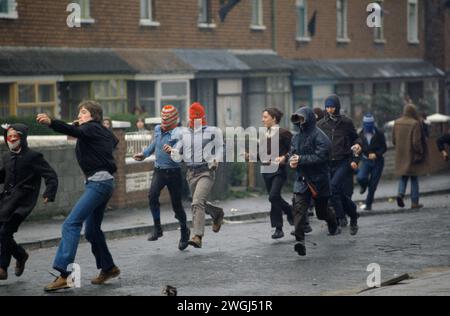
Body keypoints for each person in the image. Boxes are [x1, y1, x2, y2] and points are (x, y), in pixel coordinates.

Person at [37, 101, 121, 292]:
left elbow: (77, 132)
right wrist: (80, 127)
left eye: (84, 112)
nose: (80, 115)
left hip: (98, 183)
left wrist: (51, 122)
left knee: (71, 224)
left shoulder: (90, 128)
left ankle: (65, 274)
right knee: (91, 230)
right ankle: (108, 267)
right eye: (79, 112)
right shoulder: (99, 130)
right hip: (103, 183)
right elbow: (113, 141)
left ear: (94, 115)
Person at [0, 124, 58, 281]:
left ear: (22, 138)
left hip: (23, 202)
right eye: (9, 136)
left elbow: (50, 175)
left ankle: (2, 267)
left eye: (15, 136)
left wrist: (49, 193)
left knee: (5, 232)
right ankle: (21, 255)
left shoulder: (34, 156)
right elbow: (3, 176)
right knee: (3, 233)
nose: (11, 139)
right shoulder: (6, 157)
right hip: (6, 201)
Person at [164, 102, 224, 249]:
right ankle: (217, 213)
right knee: (199, 203)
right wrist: (171, 151)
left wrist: (216, 159)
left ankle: (197, 236)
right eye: (191, 118)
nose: (193, 121)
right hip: (191, 173)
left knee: (196, 202)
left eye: (196, 117)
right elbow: (177, 154)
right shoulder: (184, 134)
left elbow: (220, 147)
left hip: (206, 172)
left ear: (202, 118)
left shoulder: (212, 131)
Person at [133, 105, 190, 250]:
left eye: (167, 119)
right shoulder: (158, 129)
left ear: (174, 120)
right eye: (163, 118)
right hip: (159, 171)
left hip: (174, 172)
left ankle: (184, 231)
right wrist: (144, 154)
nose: (164, 121)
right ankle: (157, 229)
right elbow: (154, 144)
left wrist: (173, 151)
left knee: (177, 205)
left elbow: (183, 153)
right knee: (152, 196)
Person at [288, 106, 340, 256]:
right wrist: (291, 160)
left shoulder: (321, 137)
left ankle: (332, 222)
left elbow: (322, 156)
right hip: (302, 180)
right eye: (297, 119)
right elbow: (292, 153)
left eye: (302, 118)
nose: (300, 122)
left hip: (319, 181)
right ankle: (300, 241)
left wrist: (301, 159)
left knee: (322, 213)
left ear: (309, 119)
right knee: (298, 209)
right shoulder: (295, 137)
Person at [317, 94, 361, 235]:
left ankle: (341, 218)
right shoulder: (320, 125)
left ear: (337, 107)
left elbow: (357, 138)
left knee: (334, 187)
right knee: (336, 193)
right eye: (327, 107)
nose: (330, 110)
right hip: (327, 163)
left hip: (343, 161)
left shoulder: (346, 122)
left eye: (332, 107)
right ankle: (353, 214)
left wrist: (358, 146)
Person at [257, 108, 296, 239]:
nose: (263, 119)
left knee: (273, 196)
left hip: (279, 171)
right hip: (266, 171)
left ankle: (291, 212)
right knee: (275, 199)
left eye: (265, 117)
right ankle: (278, 229)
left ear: (274, 118)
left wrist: (284, 157)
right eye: (263, 117)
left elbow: (294, 149)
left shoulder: (284, 133)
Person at [393, 104, 428, 209]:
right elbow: (416, 142)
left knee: (403, 176)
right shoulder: (415, 123)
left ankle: (400, 194)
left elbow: (394, 141)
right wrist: (421, 152)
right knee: (414, 178)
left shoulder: (396, 122)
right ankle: (414, 202)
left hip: (400, 155)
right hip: (412, 155)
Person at [356, 114, 387, 211]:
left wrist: (376, 154)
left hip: (378, 162)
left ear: (373, 124)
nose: (368, 126)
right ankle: (364, 185)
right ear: (364, 124)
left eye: (370, 124)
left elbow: (384, 147)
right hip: (366, 160)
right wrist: (358, 151)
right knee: (360, 177)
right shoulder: (360, 134)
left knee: (373, 186)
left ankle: (368, 205)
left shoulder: (379, 133)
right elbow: (358, 147)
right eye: (366, 124)